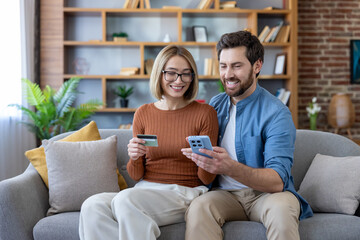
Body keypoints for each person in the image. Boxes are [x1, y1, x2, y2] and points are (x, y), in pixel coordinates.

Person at [181, 31, 313, 240]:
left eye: (237, 66)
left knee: (282, 208)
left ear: (257, 66)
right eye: (223, 66)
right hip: (224, 196)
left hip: (267, 196)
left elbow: (277, 181)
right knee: (199, 207)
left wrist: (228, 167)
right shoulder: (215, 105)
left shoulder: (276, 113)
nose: (228, 74)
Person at [78, 45, 219, 240]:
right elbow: (136, 175)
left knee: (126, 200)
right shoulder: (143, 113)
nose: (179, 81)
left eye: (186, 74)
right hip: (145, 190)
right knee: (92, 206)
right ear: (159, 74)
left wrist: (201, 158)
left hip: (186, 193)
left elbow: (207, 179)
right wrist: (135, 157)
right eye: (171, 73)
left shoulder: (205, 113)